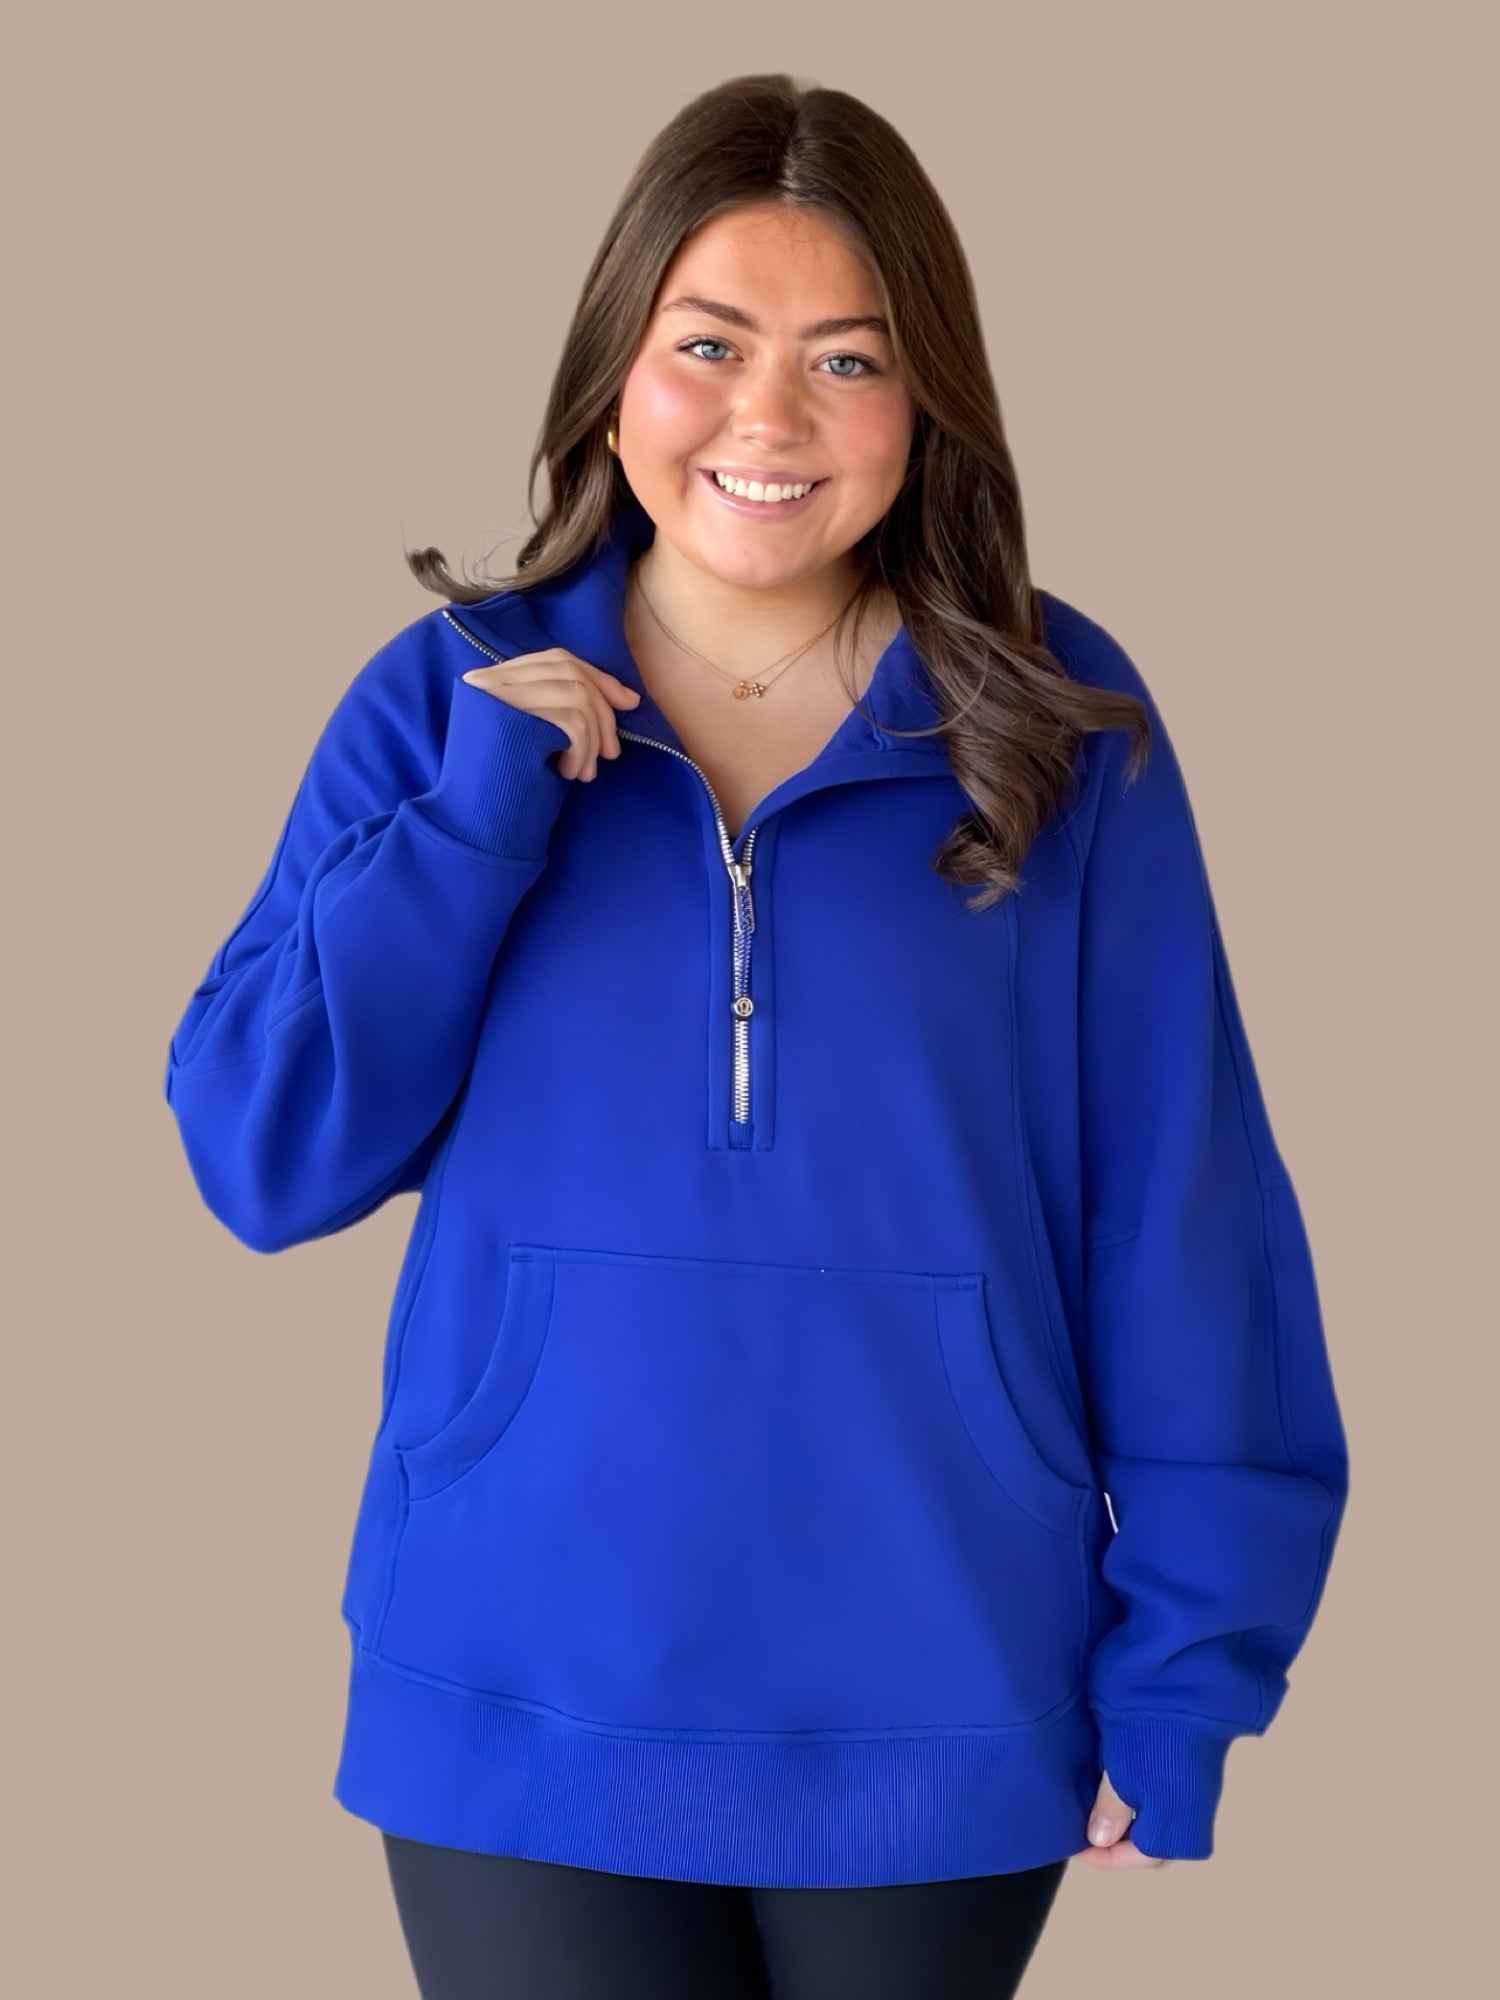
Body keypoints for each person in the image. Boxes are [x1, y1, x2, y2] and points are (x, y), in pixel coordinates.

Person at [162, 71, 1350, 2000]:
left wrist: (1193, 1657)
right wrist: (473, 822)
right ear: (615, 370)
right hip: (516, 1689)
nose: (768, 419)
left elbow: (1182, 1210)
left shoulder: (1053, 721)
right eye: (707, 344)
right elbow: (263, 1154)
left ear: (926, 398)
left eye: (846, 358)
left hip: (946, 1693)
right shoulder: (440, 704)